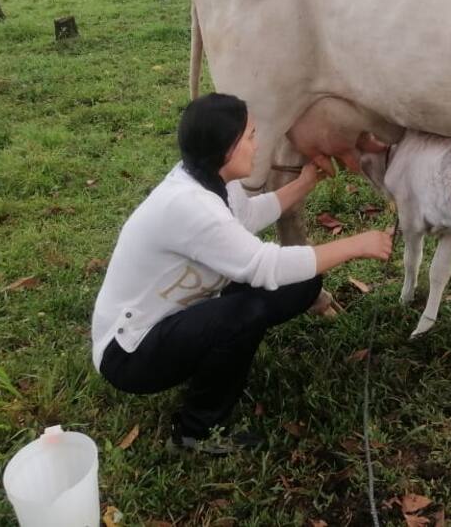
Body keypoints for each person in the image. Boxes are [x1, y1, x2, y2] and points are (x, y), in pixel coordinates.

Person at [90, 92, 393, 454]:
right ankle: (194, 432)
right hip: (129, 354)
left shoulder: (212, 180)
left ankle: (219, 362)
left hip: (174, 317)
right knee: (241, 313)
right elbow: (265, 266)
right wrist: (358, 245)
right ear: (226, 150)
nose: (258, 143)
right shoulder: (189, 206)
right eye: (250, 136)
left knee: (302, 284)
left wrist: (306, 181)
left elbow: (245, 217)